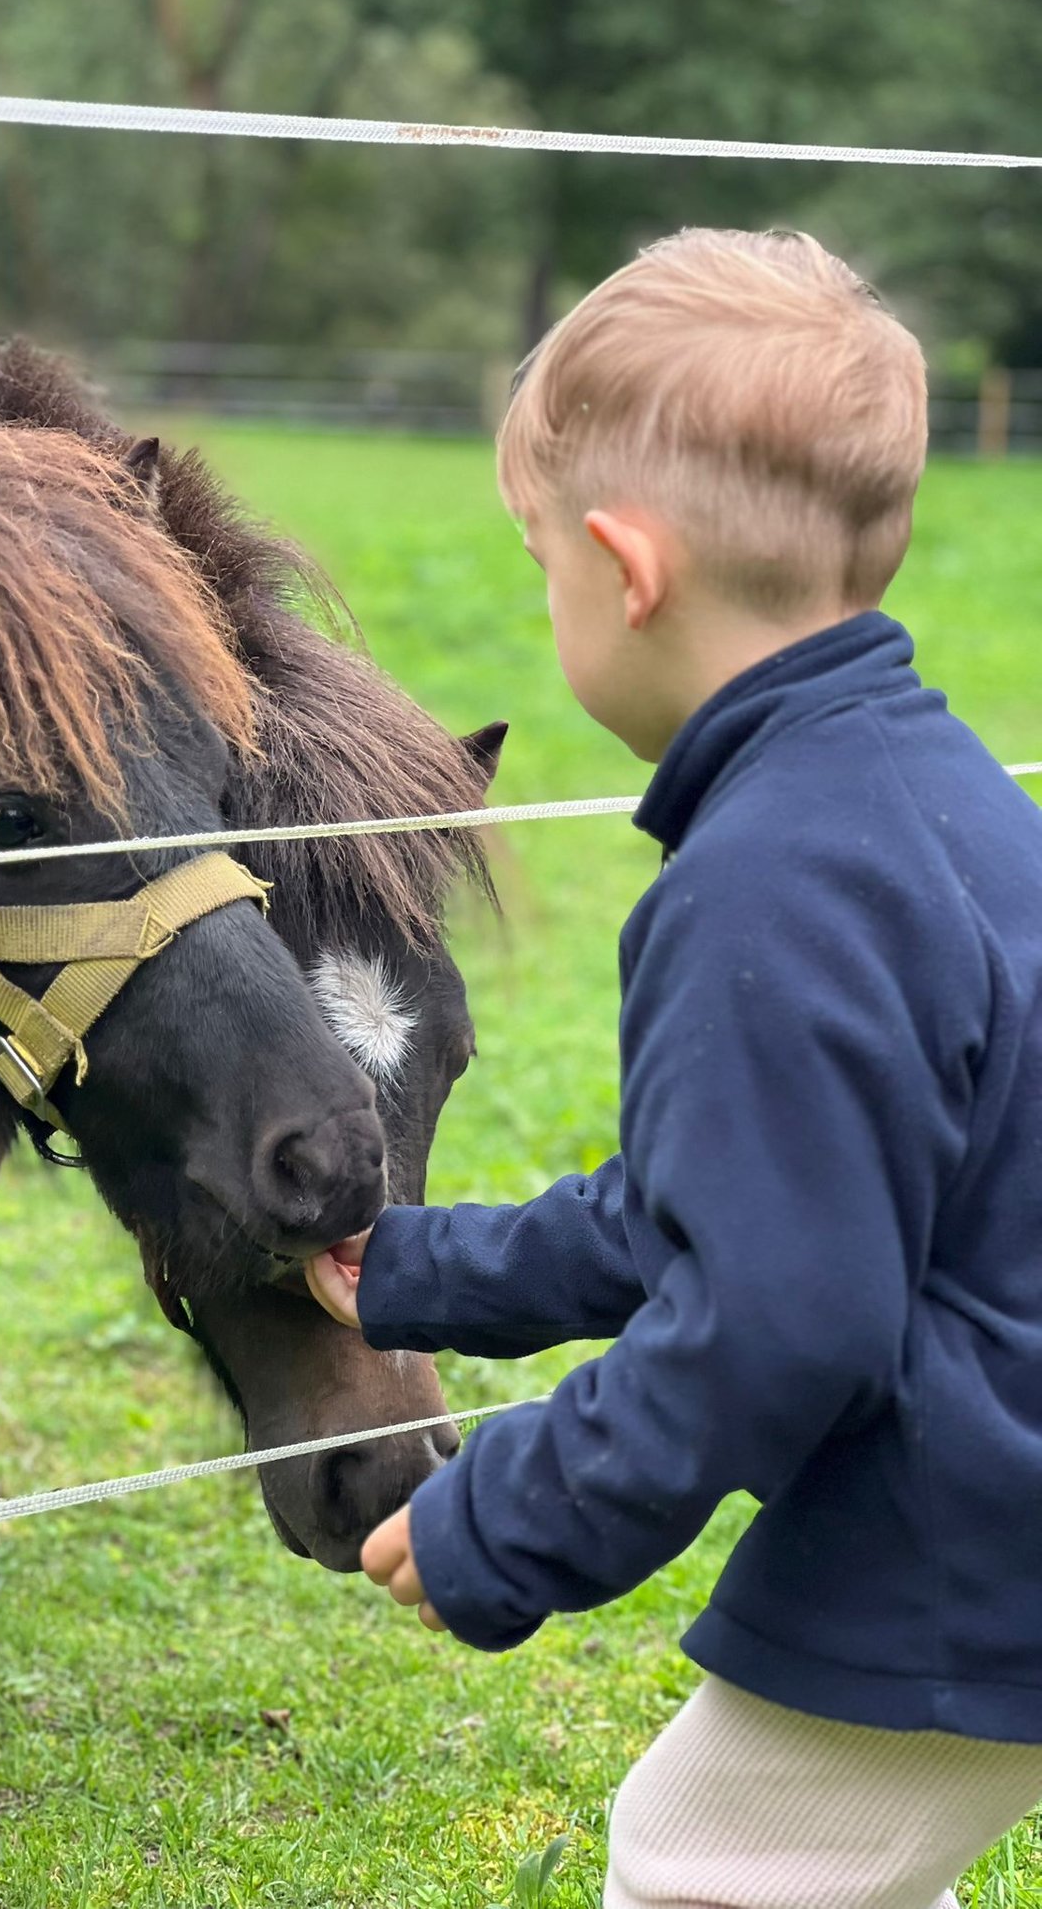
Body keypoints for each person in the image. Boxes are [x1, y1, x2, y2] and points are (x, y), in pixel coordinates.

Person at [306, 228, 1042, 1908]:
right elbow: (741, 1206)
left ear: (625, 567)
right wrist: (419, 1268)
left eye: (539, 564)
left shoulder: (765, 880)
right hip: (1014, 1480)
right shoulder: (937, 805)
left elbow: (778, 1314)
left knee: (711, 1864)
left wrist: (512, 1518)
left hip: (974, 1536)